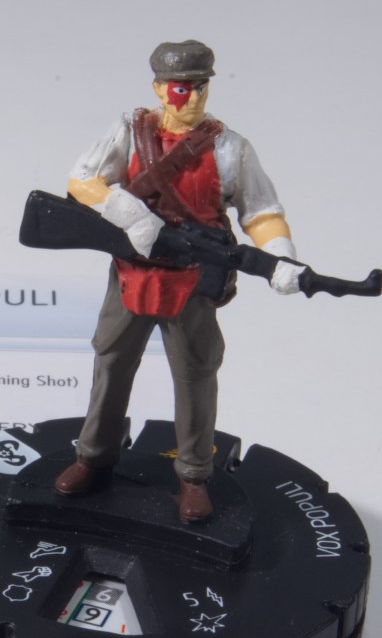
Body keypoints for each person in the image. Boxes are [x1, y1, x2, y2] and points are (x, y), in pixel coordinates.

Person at [54, 40, 302, 522]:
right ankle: (93, 458)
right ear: (159, 88)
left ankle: (193, 476)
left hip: (192, 280)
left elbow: (261, 210)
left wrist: (280, 256)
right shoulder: (129, 131)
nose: (190, 98)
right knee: (111, 363)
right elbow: (81, 181)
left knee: (195, 376)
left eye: (199, 87)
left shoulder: (230, 148)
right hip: (132, 272)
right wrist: (125, 209)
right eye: (180, 88)